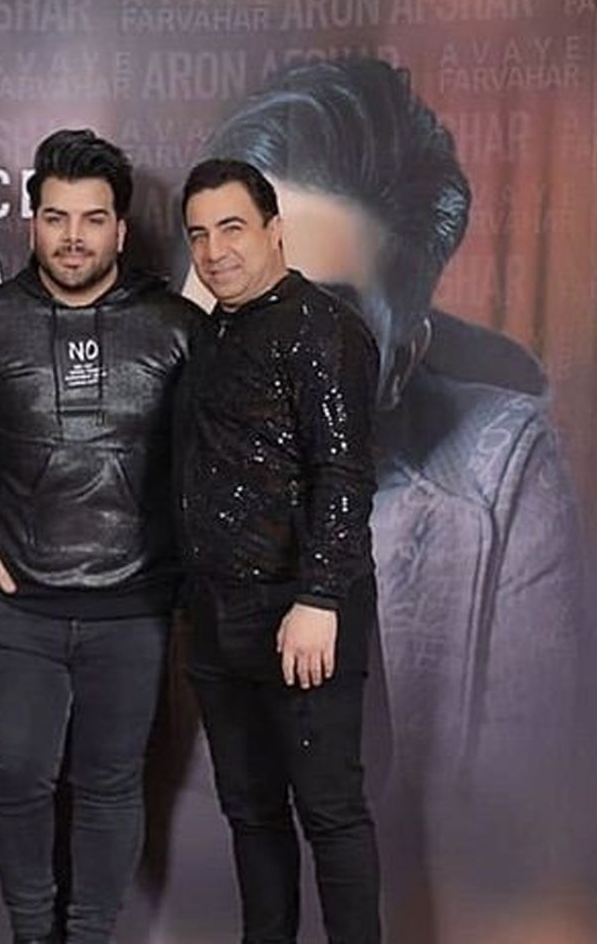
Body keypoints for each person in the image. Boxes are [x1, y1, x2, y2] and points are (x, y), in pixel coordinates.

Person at [200, 59, 587, 917]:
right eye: (231, 290)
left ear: (400, 361)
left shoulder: (499, 477)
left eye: (319, 314)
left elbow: (515, 864)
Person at [0, 128, 204, 944]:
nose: (72, 237)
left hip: (134, 604)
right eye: (56, 217)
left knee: (110, 784)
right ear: (31, 223)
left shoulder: (177, 327)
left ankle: (89, 936)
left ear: (121, 230)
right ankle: (33, 933)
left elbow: (202, 461)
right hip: (16, 601)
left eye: (92, 219)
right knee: (15, 777)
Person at [175, 158, 382, 944]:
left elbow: (344, 471)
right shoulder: (210, 332)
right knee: (251, 813)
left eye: (231, 228)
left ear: (273, 230)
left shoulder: (322, 329)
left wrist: (320, 597)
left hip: (299, 612)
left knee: (329, 813)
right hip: (217, 614)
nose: (214, 250)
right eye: (198, 234)